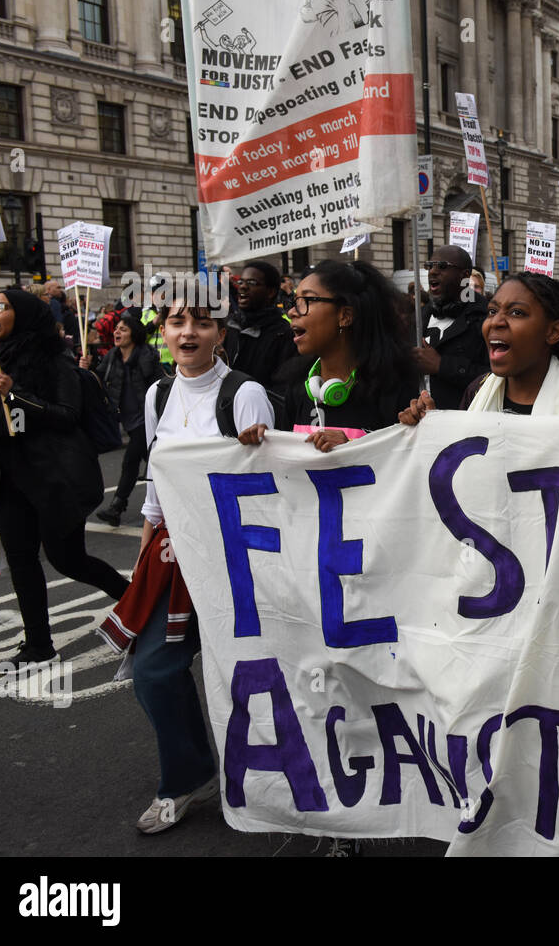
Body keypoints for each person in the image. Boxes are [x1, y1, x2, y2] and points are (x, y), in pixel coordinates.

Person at [106, 294, 275, 833]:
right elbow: (160, 476)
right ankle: (187, 777)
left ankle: (291, 784)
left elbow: (269, 485)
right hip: (175, 561)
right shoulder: (158, 393)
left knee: (260, 674)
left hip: (238, 561)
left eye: (202, 322)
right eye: (176, 322)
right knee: (155, 672)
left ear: (220, 333)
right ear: (162, 330)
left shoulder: (243, 393)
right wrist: (146, 542)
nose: (188, 333)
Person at [0, 290, 129, 669]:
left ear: (23, 315)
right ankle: (40, 644)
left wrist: (17, 396)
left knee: (69, 560)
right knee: (21, 560)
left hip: (52, 478)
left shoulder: (54, 362)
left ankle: (137, 599)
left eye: (2, 306)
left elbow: (66, 415)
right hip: (11, 480)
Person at [400, 272, 559, 447]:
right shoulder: (476, 393)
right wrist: (430, 428)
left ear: (553, 332)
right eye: (492, 311)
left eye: (517, 313)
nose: (495, 322)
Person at [239, 259, 419, 448]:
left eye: (306, 301)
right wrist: (265, 444)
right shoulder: (297, 388)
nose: (292, 312)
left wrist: (350, 447)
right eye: (294, 301)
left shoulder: (394, 388)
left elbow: (405, 466)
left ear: (345, 316)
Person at [83, 312, 165, 527]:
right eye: (117, 328)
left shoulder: (147, 355)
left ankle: (117, 506)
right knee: (156, 465)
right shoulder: (112, 356)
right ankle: (176, 497)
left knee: (131, 461)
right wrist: (86, 369)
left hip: (147, 419)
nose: (117, 332)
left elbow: (160, 386)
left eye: (123, 329)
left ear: (134, 334)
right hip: (127, 420)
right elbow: (97, 380)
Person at [411, 245, 490, 410]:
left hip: (462, 423)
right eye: (429, 265)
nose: (432, 271)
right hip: (418, 423)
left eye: (442, 266)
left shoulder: (486, 317)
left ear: (465, 275)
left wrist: (441, 365)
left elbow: (496, 377)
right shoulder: (419, 317)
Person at [227, 260, 298, 391]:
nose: (242, 287)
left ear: (270, 292)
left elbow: (283, 389)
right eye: (241, 282)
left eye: (251, 283)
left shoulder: (284, 335)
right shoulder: (227, 327)